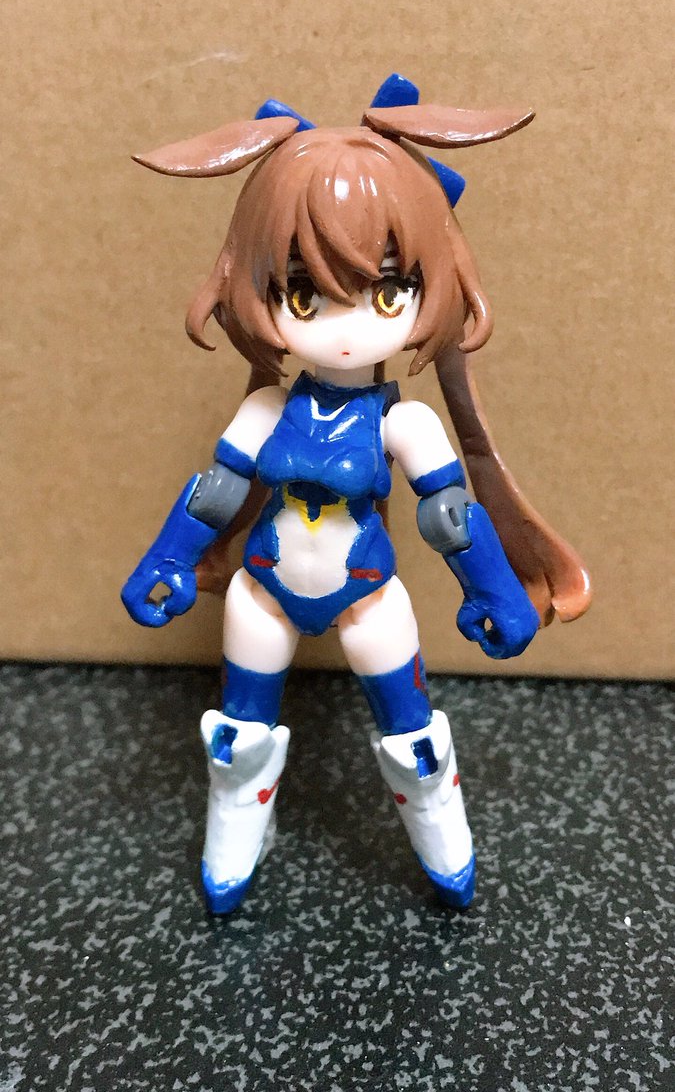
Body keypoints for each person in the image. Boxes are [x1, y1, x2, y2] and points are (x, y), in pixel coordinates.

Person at [122, 75, 591, 914]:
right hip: (264, 589)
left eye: (385, 290)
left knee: (413, 740)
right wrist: (167, 560)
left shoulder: (402, 424)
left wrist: (494, 591)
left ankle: (441, 833)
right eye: (302, 293)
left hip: (368, 592)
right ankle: (237, 826)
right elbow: (214, 494)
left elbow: (450, 516)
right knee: (237, 739)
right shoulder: (267, 409)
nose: (344, 327)